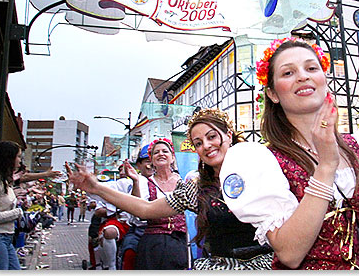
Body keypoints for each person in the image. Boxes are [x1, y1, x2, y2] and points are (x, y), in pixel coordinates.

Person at [218, 37, 359, 270]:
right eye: (288, 73)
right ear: (273, 94)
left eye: (311, 68)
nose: (303, 76)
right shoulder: (260, 160)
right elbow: (290, 253)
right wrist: (326, 166)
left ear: (324, 79)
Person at [67, 108, 273, 270]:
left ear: (228, 135)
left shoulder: (260, 169)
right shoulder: (197, 188)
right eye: (198, 143)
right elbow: (145, 209)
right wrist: (95, 187)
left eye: (212, 137)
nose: (207, 146)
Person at [126, 138, 188, 269]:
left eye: (165, 151)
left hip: (181, 240)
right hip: (154, 243)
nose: (161, 154)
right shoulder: (145, 183)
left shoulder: (185, 180)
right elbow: (138, 213)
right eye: (156, 152)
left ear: (172, 158)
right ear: (152, 160)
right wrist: (135, 182)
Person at [120, 144, 153, 270]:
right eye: (147, 161)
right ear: (139, 165)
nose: (150, 165)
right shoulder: (134, 181)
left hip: (166, 233)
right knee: (129, 253)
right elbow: (136, 208)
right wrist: (135, 182)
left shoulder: (176, 180)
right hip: (140, 231)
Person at [0, 141, 24, 270]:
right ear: (8, 158)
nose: (19, 161)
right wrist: (17, 212)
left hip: (7, 237)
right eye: (18, 157)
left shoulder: (4, 182)